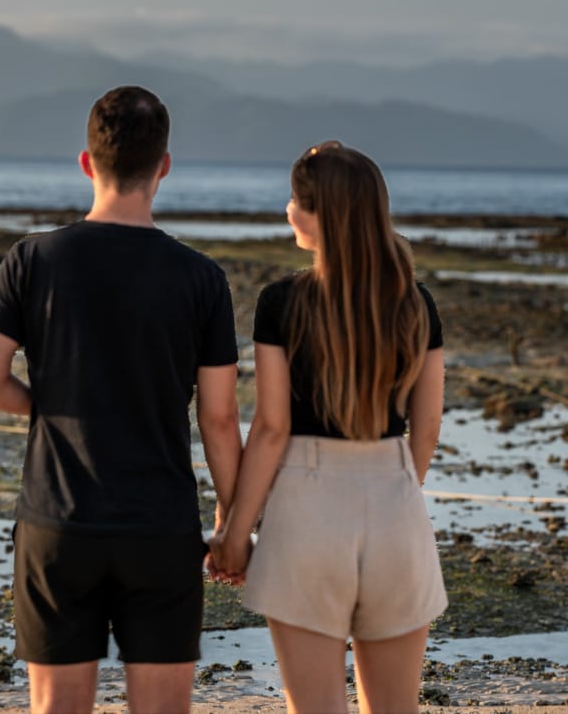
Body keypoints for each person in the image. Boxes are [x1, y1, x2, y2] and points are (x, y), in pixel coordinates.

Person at [0, 86, 242, 714]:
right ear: (164, 165)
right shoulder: (202, 278)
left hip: (59, 523)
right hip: (161, 527)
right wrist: (233, 527)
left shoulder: (32, 259)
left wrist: (52, 404)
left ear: (87, 163)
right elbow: (219, 419)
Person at [209, 141, 447, 714]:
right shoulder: (416, 304)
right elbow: (429, 424)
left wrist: (235, 534)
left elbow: (269, 429)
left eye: (295, 200)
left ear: (322, 215)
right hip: (395, 504)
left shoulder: (282, 302)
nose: (288, 210)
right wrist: (392, 484)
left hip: (307, 512)